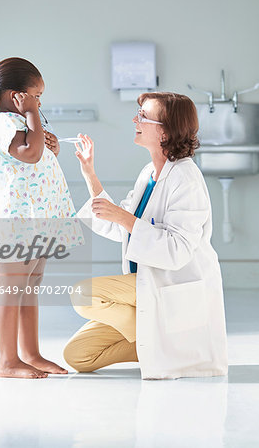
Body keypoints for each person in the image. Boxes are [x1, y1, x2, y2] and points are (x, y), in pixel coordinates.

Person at [64, 92, 228, 380]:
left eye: (143, 116)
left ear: (165, 131)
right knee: (78, 355)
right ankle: (155, 344)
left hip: (171, 285)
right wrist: (90, 173)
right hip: (145, 285)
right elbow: (119, 226)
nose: (134, 120)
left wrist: (124, 217)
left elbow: (177, 251)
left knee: (83, 294)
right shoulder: (148, 174)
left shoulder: (186, 178)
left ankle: (161, 338)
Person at [0, 57, 82, 378]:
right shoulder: (0, 122)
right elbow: (28, 153)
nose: (39, 103)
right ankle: (7, 360)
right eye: (35, 96)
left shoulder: (22, 122)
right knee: (13, 285)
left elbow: (36, 154)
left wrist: (50, 146)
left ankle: (30, 353)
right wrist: (32, 116)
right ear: (17, 95)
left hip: (38, 217)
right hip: (13, 219)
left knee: (30, 285)